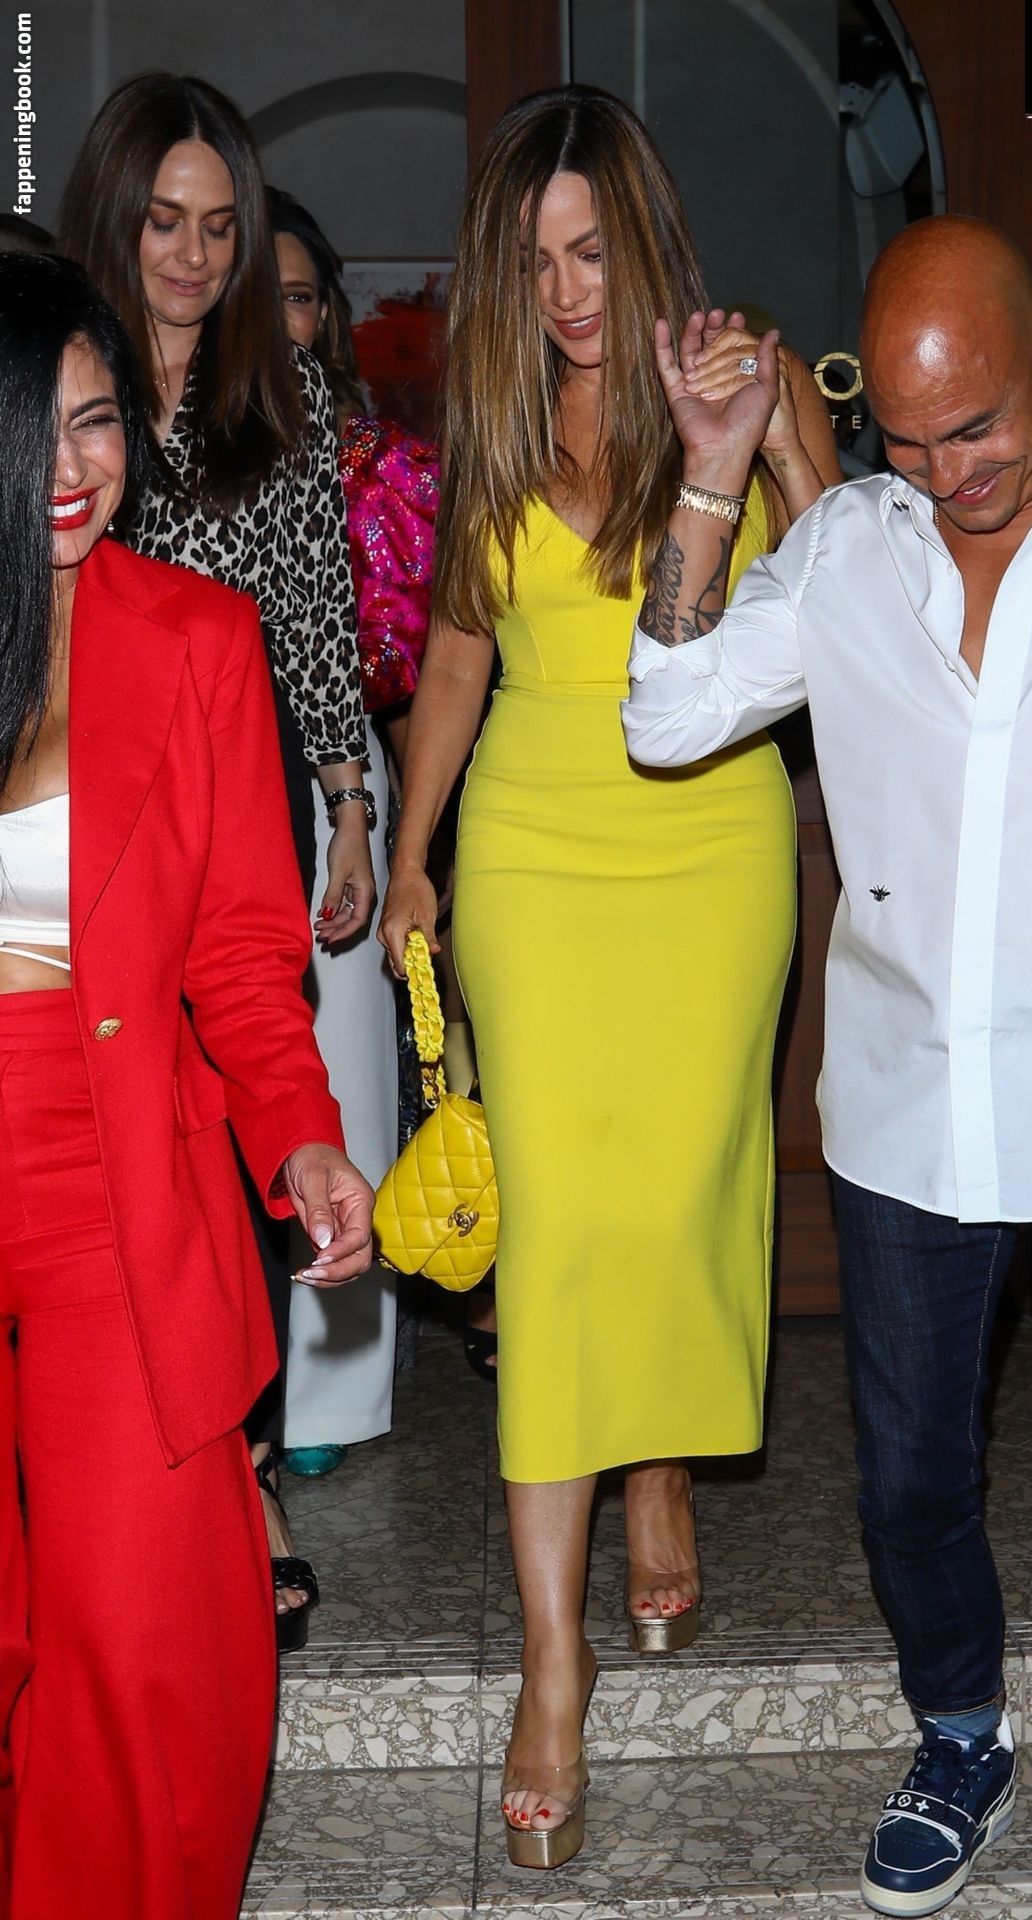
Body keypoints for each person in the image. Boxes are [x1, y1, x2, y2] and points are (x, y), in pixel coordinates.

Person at [621, 212, 1032, 1920]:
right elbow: (666, 716)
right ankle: (960, 1735)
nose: (945, 475)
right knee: (910, 1490)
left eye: (974, 428)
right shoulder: (851, 546)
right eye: (907, 442)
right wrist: (714, 471)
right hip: (904, 1118)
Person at [379, 82, 840, 1871]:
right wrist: (413, 855)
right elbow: (454, 659)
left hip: (710, 841)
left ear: (643, 239)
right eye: (535, 263)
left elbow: (851, 583)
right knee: (564, 1230)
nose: (568, 294)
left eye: (590, 253)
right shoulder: (494, 423)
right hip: (535, 846)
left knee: (668, 1192)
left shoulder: (742, 375)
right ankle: (551, 1663)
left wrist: (778, 438)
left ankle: (659, 1465)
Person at [0, 251, 373, 1917]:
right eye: (34, 430)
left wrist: (303, 1142)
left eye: (97, 423)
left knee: (138, 1640)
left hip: (114, 1192)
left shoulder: (201, 639)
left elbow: (238, 954)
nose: (72, 468)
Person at [59, 72, 374, 1640]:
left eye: (219, 227)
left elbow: (315, 603)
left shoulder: (280, 385)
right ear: (116, 220)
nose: (191, 255)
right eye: (164, 222)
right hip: (88, 812)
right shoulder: (62, 381)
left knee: (243, 1117)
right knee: (120, 1133)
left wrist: (351, 799)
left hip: (238, 797)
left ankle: (242, 1472)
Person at [268, 184, 440, 1472]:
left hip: (339, 772)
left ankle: (330, 1398)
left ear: (325, 310)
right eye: (255, 298)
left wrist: (377, 822)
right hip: (207, 760)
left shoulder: (377, 460)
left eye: (296, 295)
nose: (277, 318)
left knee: (341, 1066)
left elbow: (417, 650)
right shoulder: (163, 440)